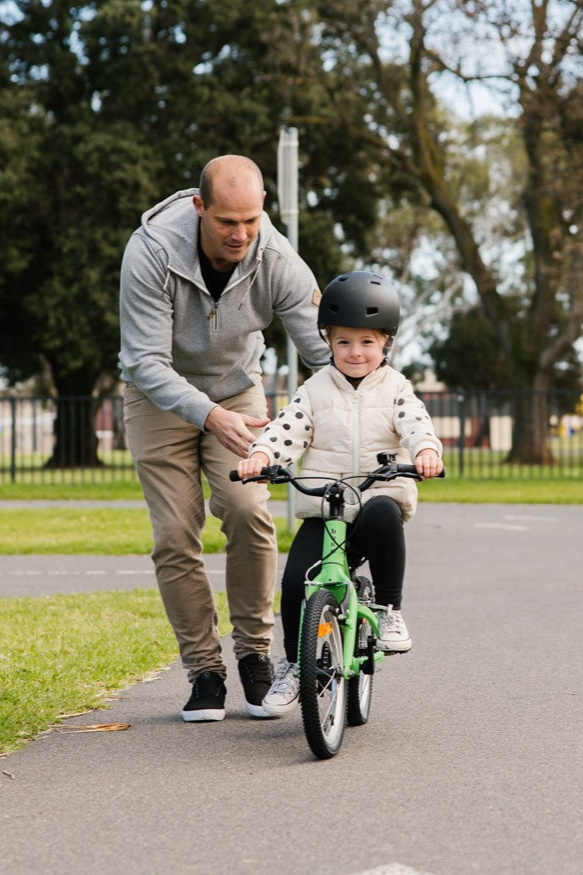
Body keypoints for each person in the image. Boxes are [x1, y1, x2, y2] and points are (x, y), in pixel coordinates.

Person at [119, 155, 330, 723]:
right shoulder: (152, 250)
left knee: (247, 510)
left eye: (252, 220)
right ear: (199, 208)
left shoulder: (278, 258)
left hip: (239, 390)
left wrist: (365, 406)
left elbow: (323, 353)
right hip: (157, 395)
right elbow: (144, 361)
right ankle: (204, 672)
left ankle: (256, 659)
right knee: (174, 535)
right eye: (227, 222)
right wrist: (207, 415)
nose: (241, 234)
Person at [236, 270, 443, 716]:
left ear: (385, 343)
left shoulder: (396, 389)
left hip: (376, 497)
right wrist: (261, 454)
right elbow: (286, 429)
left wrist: (426, 450)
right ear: (327, 340)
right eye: (344, 341)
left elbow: (416, 423)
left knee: (385, 514)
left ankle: (388, 609)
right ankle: (295, 666)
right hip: (326, 508)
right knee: (296, 581)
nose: (355, 352)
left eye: (367, 342)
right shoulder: (314, 390)